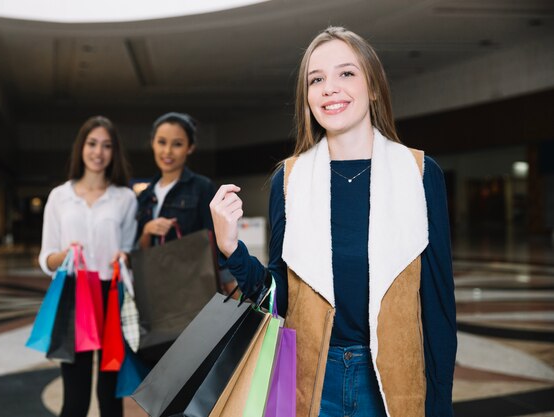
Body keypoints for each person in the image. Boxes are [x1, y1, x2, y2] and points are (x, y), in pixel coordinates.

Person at [210, 27, 457, 417]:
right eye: (316, 79)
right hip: (310, 379)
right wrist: (231, 249)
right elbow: (278, 297)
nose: (329, 88)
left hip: (393, 381)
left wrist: (440, 401)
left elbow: (439, 301)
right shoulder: (289, 180)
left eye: (346, 73)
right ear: (307, 97)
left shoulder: (420, 173)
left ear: (373, 87)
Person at [38, 115, 137, 417]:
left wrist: (125, 258)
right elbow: (46, 258)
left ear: (114, 152)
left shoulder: (124, 199)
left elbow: (130, 252)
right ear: (81, 147)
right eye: (92, 144)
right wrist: (65, 255)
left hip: (111, 295)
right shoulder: (60, 197)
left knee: (110, 395)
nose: (98, 152)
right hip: (75, 295)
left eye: (106, 146)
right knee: (75, 396)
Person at [136, 112, 236, 293]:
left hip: (193, 287)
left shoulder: (201, 187)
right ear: (152, 143)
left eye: (177, 144)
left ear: (190, 148)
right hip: (155, 290)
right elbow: (139, 253)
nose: (167, 151)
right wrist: (146, 231)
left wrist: (230, 286)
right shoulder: (144, 196)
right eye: (161, 142)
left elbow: (215, 241)